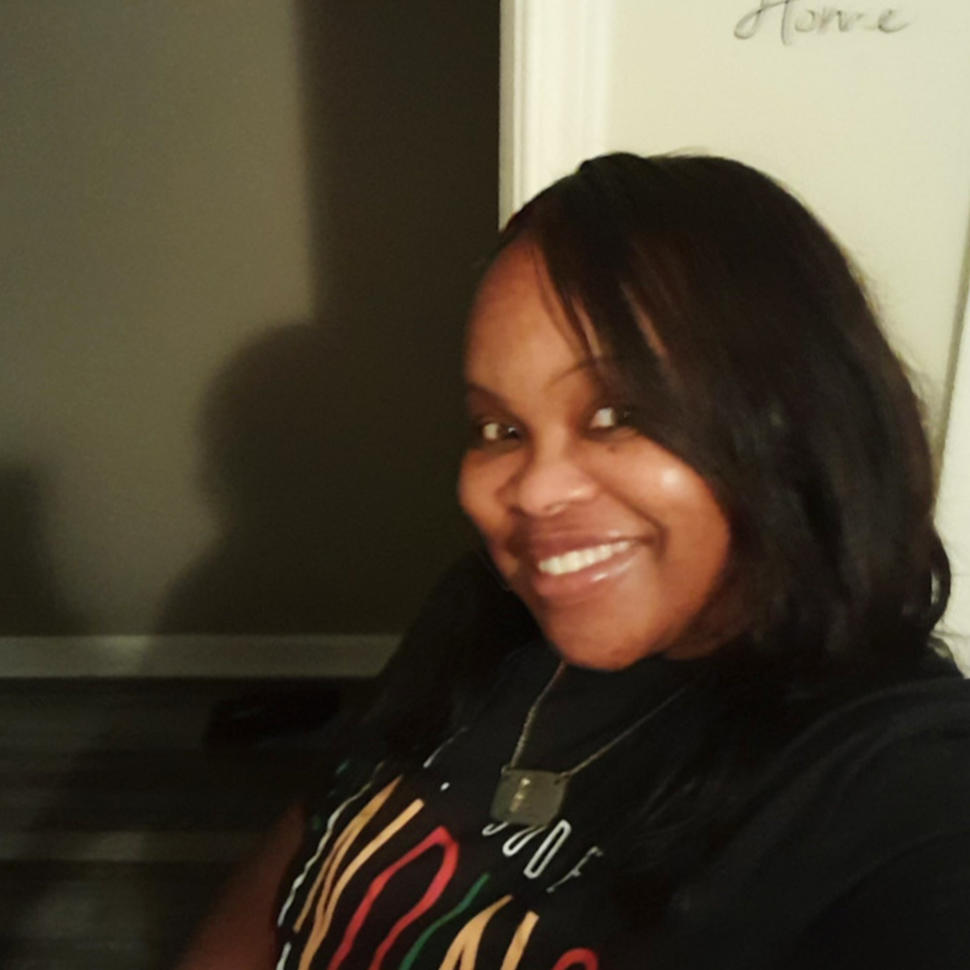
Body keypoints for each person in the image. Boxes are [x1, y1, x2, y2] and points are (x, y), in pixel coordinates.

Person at [177, 153, 970, 970]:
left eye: (617, 412)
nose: (532, 490)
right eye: (499, 429)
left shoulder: (903, 787)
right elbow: (322, 821)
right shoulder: (485, 609)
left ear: (792, 415)